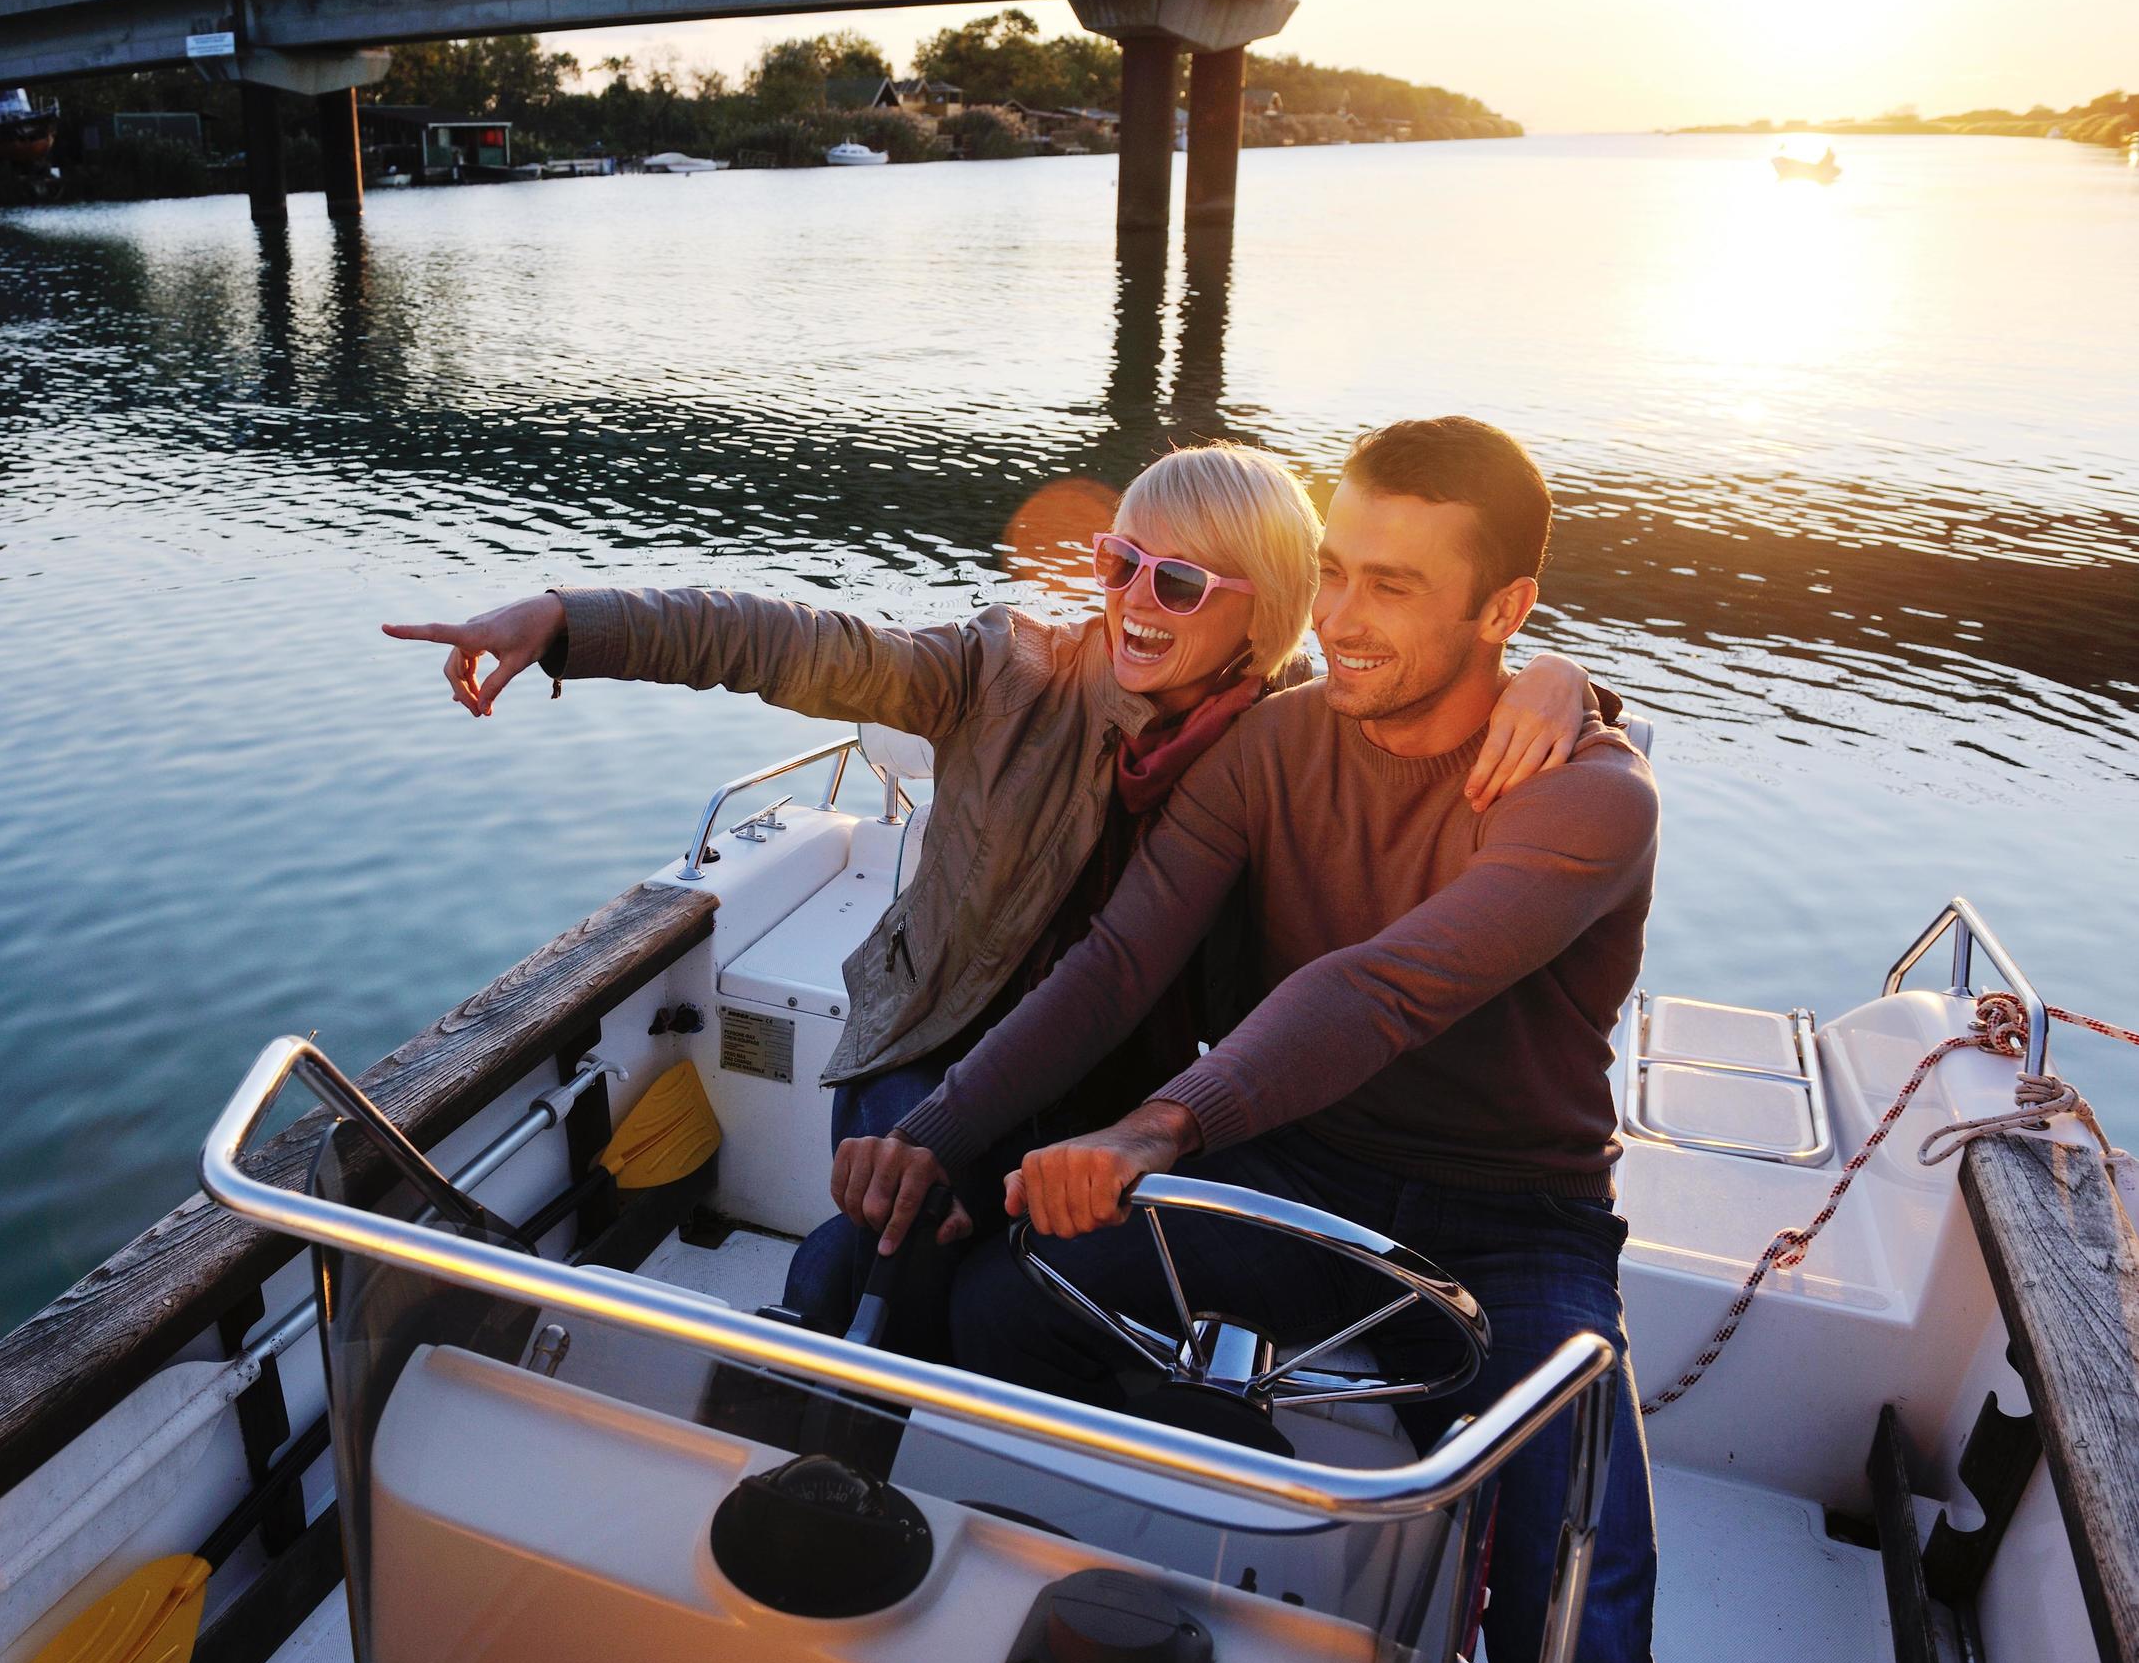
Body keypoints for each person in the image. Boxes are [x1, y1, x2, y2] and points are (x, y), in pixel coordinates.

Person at [860, 417, 1672, 1663]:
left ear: (1508, 613)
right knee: (998, 1300)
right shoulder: (1274, 745)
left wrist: (1157, 1131)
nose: (1342, 621)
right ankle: (1111, 1617)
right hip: (1307, 1170)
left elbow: (1384, 992)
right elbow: (1121, 964)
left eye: (1395, 588)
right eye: (1335, 570)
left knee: (1576, 1607)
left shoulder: (1591, 795)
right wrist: (936, 1130)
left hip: (1516, 1225)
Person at [384, 444, 1613, 1358]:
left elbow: (1435, 672)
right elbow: (785, 642)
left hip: (1122, 1087)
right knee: (895, 1235)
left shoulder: (1295, 733)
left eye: (1179, 582)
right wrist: (565, 622)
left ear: (1269, 607)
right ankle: (805, 1462)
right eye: (1117, 561)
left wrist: (1568, 682)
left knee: (1017, 1291)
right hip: (938, 1046)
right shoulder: (1006, 672)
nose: (1132, 600)